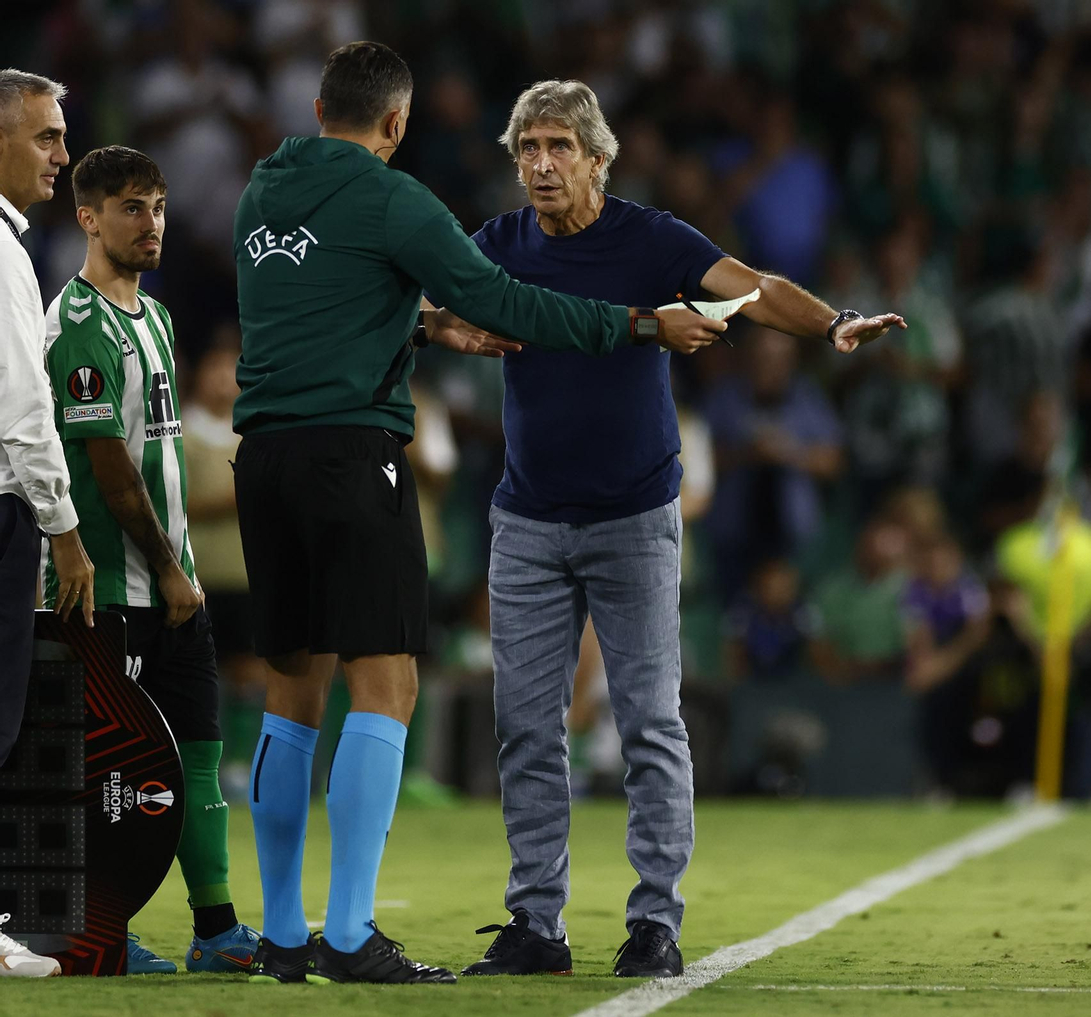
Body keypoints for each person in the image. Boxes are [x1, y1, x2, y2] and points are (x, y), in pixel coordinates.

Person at [232, 43, 725, 988]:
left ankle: (284, 934)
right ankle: (347, 936)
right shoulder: (396, 200)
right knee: (387, 690)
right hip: (351, 458)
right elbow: (501, 298)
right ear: (396, 123)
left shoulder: (264, 192)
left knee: (291, 698)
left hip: (264, 462)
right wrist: (639, 322)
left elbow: (328, 297)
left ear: (318, 106)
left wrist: (423, 326)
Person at [440, 80, 903, 980]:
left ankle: (655, 920)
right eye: (526, 148)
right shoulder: (497, 244)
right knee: (526, 729)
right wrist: (442, 328)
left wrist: (833, 322)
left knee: (651, 722)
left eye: (557, 147)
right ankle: (535, 922)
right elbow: (434, 301)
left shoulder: (652, 239)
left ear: (597, 159)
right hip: (527, 518)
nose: (538, 164)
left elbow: (755, 289)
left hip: (634, 516)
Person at [42, 144, 260, 975]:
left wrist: (182, 572)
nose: (151, 221)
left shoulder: (159, 317)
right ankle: (104, 930)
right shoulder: (76, 326)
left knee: (199, 757)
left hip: (176, 586)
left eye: (159, 205)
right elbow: (110, 468)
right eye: (132, 207)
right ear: (88, 217)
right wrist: (170, 567)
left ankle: (217, 928)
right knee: (109, 774)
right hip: (109, 589)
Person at [0, 67, 94, 983]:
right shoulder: (2, 252)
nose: (61, 154)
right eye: (43, 136)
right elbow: (26, 412)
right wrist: (62, 526)